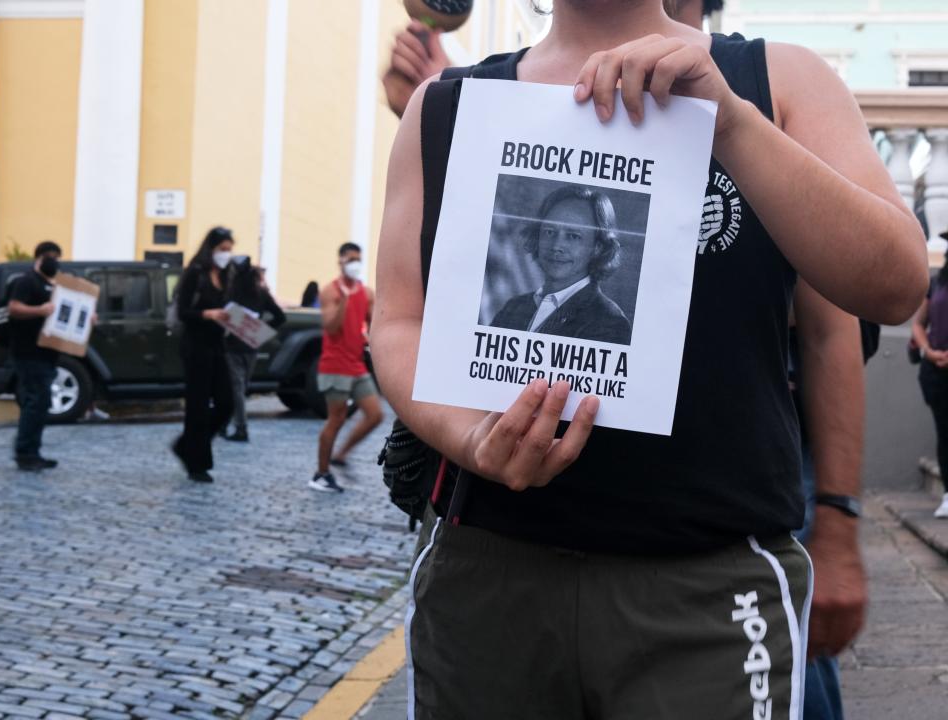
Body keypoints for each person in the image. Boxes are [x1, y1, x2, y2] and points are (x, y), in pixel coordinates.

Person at [372, 0, 928, 717]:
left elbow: (893, 282)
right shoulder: (446, 106)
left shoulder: (777, 79)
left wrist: (730, 123)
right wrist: (468, 436)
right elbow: (400, 323)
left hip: (706, 583)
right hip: (489, 569)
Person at [490, 185, 632, 345]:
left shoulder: (609, 323)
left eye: (573, 236)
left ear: (597, 247)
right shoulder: (513, 308)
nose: (556, 245)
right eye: (549, 232)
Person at [311, 243, 383, 493]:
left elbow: (373, 326)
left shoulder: (367, 292)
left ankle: (341, 454)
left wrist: (371, 339)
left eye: (358, 259)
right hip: (334, 366)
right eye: (351, 259)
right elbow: (331, 327)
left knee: (375, 415)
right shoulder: (330, 291)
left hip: (356, 365)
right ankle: (320, 474)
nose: (355, 263)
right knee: (336, 419)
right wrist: (344, 300)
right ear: (340, 260)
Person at [171, 227, 235, 483]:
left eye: (229, 250)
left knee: (226, 402)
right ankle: (196, 463)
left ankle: (187, 445)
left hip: (217, 344)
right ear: (211, 248)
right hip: (195, 346)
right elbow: (183, 311)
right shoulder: (195, 273)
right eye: (223, 250)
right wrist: (208, 314)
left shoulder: (226, 274)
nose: (226, 255)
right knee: (197, 406)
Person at [7, 241, 62, 471]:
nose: (55, 262)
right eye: (52, 257)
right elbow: (14, 308)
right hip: (28, 352)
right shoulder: (26, 281)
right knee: (34, 401)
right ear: (40, 258)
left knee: (41, 403)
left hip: (46, 353)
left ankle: (33, 451)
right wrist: (39, 310)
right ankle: (25, 452)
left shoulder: (51, 285)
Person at [222, 260, 287, 442]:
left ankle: (240, 427)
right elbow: (280, 317)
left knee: (236, 389)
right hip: (252, 345)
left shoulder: (229, 294)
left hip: (232, 346)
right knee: (240, 389)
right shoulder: (260, 293)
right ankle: (227, 424)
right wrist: (260, 329)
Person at [912, 245, 948, 518]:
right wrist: (928, 351)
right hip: (936, 371)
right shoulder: (936, 283)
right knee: (945, 433)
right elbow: (918, 324)